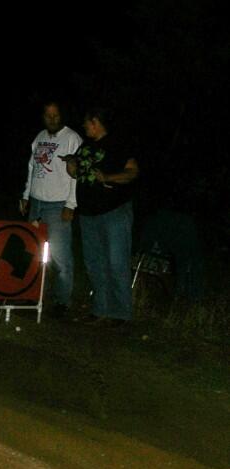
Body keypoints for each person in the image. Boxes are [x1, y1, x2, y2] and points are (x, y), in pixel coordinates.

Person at [65, 107, 140, 327]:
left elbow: (132, 172)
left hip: (114, 212)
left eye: (87, 122)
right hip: (88, 214)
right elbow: (77, 173)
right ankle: (100, 309)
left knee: (116, 262)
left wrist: (108, 176)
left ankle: (121, 314)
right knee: (94, 263)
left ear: (96, 122)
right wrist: (71, 164)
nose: (84, 126)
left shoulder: (118, 144)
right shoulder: (86, 147)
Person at [20, 101, 82, 318]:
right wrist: (26, 195)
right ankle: (33, 297)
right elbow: (32, 168)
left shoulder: (72, 138)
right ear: (43, 117)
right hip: (36, 202)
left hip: (58, 205)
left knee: (61, 257)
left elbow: (77, 175)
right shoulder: (39, 137)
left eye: (56, 115)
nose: (52, 119)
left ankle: (61, 303)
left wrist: (71, 204)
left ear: (62, 116)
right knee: (35, 253)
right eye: (48, 116)